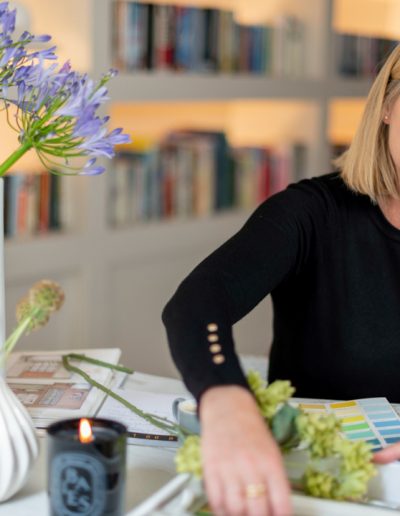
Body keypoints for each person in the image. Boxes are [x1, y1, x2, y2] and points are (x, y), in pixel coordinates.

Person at [162, 44, 400, 516]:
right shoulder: (311, 213)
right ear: (389, 106)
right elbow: (197, 303)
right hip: (307, 485)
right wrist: (228, 404)